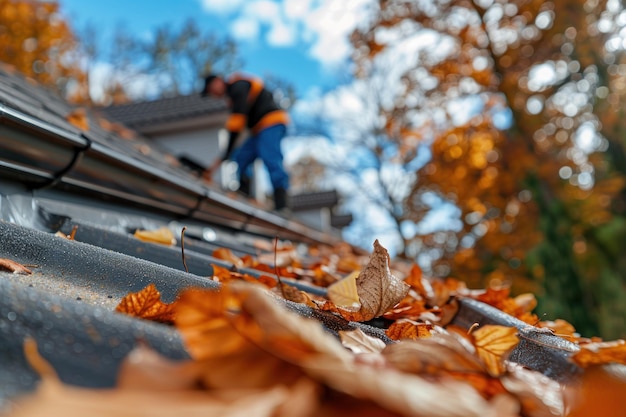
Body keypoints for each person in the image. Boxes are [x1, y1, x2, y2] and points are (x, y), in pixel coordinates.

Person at [201, 73, 290, 211]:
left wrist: (226, 153)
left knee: (270, 157)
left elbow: (237, 124)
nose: (212, 94)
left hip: (272, 122)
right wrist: (229, 154)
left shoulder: (238, 87)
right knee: (241, 157)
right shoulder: (233, 95)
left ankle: (282, 204)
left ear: (218, 82)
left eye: (210, 89)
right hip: (257, 129)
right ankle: (244, 195)